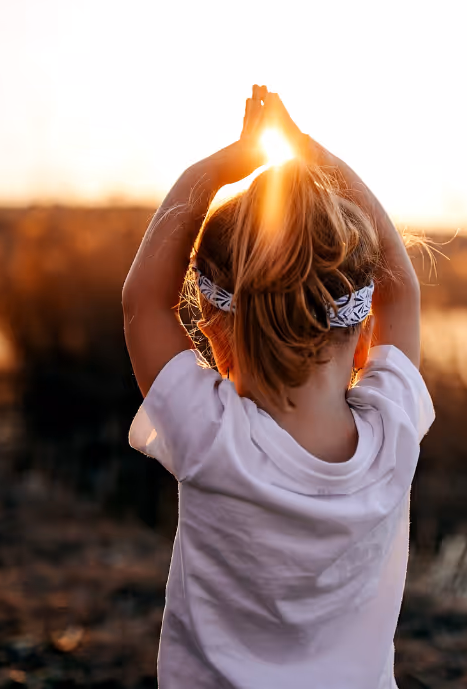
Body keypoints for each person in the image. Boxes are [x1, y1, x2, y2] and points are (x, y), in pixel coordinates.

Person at [121, 85, 433, 688]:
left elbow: (142, 303)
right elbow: (404, 291)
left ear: (213, 331)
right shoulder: (395, 434)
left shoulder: (211, 438)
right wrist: (319, 159)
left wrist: (212, 171)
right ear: (363, 336)